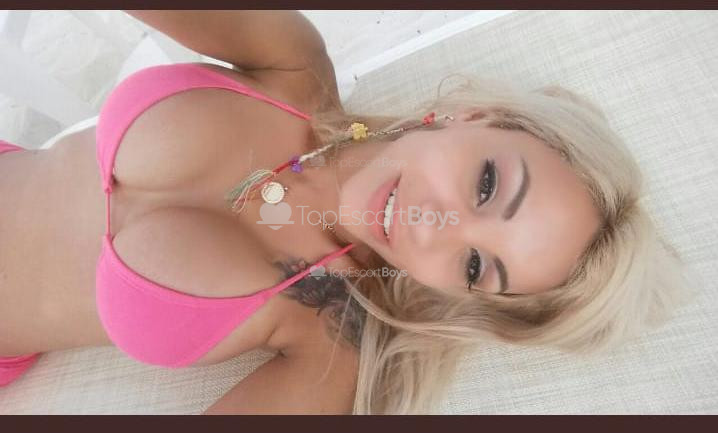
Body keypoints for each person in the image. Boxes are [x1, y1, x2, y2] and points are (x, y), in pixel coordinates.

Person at [0, 11, 685, 414]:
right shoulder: (290, 66)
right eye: (484, 184)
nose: (434, 226)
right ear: (474, 117)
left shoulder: (332, 344)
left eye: (476, 265)